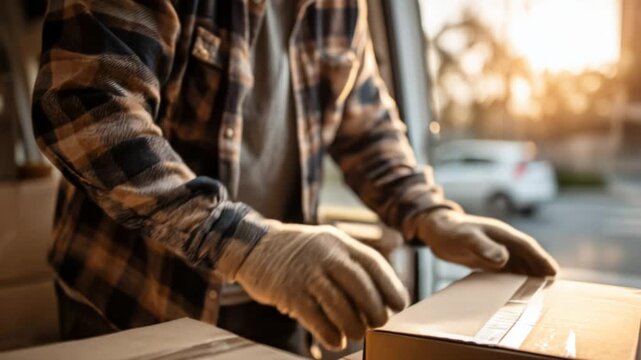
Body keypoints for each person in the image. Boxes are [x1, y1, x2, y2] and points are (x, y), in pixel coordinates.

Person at [32, 0, 558, 355]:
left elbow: (366, 125)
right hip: (135, 306)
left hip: (279, 306)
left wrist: (431, 214)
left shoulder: (339, 6)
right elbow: (88, 105)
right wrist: (252, 248)